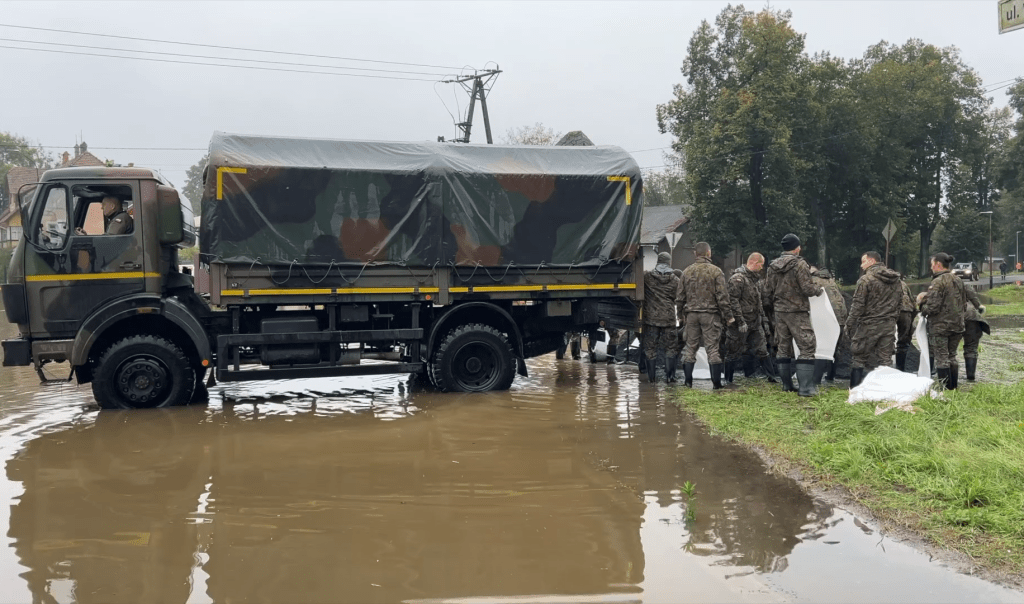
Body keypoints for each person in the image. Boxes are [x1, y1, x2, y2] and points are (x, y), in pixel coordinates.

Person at [763, 233, 825, 397]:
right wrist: (818, 290)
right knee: (807, 346)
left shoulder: (772, 266)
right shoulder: (800, 264)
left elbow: (767, 291)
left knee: (783, 347)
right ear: (797, 248)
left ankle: (786, 385)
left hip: (780, 312)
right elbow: (807, 289)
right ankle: (806, 388)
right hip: (797, 312)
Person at [676, 242, 735, 389]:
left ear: (695, 254)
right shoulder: (716, 271)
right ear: (709, 253)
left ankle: (688, 382)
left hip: (691, 315)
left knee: (690, 348)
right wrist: (728, 316)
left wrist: (679, 315)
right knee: (712, 348)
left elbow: (680, 297)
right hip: (710, 315)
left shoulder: (686, 272)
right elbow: (722, 297)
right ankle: (716, 384)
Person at [844, 251, 902, 387]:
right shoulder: (896, 280)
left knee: (859, 358)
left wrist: (849, 323)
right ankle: (885, 390)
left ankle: (855, 389)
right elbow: (900, 302)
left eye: (863, 261)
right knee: (885, 359)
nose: (861, 265)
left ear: (871, 261)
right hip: (888, 324)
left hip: (869, 324)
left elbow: (857, 305)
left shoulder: (865, 280)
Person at [917, 252, 968, 390]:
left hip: (940, 327)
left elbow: (932, 307)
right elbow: (964, 303)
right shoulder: (958, 280)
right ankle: (953, 387)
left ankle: (944, 389)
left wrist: (921, 305)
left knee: (942, 357)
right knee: (952, 356)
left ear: (938, 265)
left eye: (932, 265)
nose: (931, 268)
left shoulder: (937, 282)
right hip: (958, 325)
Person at [726, 253, 776, 383]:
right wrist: (740, 321)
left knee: (762, 350)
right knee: (733, 351)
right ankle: (728, 379)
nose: (762, 268)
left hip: (755, 322)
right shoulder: (738, 279)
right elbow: (733, 301)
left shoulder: (756, 281)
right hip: (740, 323)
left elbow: (759, 303)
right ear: (754, 262)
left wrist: (763, 322)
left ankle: (771, 377)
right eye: (761, 264)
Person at [642, 252, 681, 383]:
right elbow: (679, 298)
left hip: (651, 319)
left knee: (650, 348)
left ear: (658, 261)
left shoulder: (647, 277)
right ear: (669, 262)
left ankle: (652, 378)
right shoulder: (675, 280)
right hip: (669, 319)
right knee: (671, 348)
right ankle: (670, 377)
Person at [810, 267, 847, 382]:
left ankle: (816, 380)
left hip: (827, 316)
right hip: (840, 317)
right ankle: (830, 376)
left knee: (822, 348)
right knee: (834, 347)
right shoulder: (830, 281)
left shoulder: (814, 280)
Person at [961, 287, 986, 381]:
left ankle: (948, 379)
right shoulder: (964, 286)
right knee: (971, 348)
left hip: (953, 318)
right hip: (972, 317)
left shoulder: (939, 285)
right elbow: (977, 304)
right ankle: (971, 376)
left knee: (949, 350)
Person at [895, 276, 918, 372]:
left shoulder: (881, 283)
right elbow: (913, 301)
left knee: (884, 341)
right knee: (903, 341)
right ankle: (901, 369)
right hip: (906, 311)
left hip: (890, 311)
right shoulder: (903, 284)